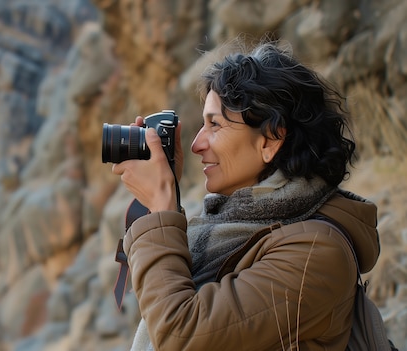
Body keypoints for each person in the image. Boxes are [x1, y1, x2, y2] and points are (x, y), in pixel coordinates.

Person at [110, 42, 380, 350]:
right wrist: (165, 199)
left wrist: (162, 206)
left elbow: (181, 335)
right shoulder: (230, 229)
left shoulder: (316, 254)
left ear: (270, 139)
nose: (197, 144)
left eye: (215, 125)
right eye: (202, 124)